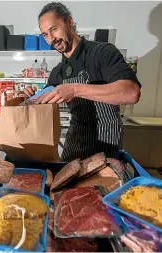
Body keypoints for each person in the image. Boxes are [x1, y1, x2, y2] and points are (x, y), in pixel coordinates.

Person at [24, 2, 142, 162]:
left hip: (106, 141)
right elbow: (43, 103)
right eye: (45, 34)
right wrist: (29, 97)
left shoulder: (102, 52)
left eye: (53, 29)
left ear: (69, 22)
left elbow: (131, 92)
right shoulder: (58, 71)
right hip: (75, 141)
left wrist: (75, 90)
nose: (51, 39)